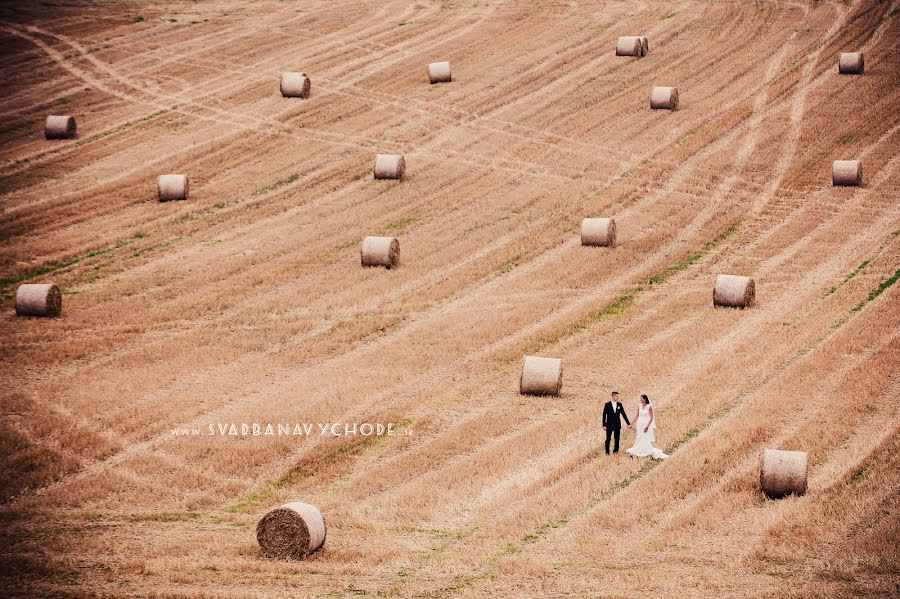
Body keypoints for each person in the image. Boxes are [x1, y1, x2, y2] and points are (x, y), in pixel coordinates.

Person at [626, 394, 669, 460]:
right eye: (640, 399)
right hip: (639, 424)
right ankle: (639, 450)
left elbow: (651, 418)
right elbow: (637, 415)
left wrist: (647, 426)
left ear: (645, 399)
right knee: (639, 437)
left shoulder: (649, 407)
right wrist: (631, 424)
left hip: (646, 424)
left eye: (641, 399)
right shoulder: (639, 406)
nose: (640, 400)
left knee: (645, 437)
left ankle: (647, 451)